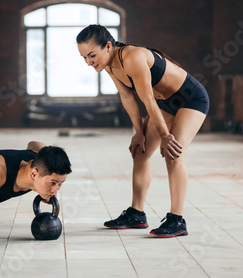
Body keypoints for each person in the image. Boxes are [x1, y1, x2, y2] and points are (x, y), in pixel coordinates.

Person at [76, 24, 209, 238]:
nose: (89, 62)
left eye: (92, 55)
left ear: (108, 46)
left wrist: (166, 136)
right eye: (83, 57)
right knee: (141, 151)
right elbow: (128, 97)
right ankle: (136, 215)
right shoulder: (109, 65)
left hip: (190, 98)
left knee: (173, 153)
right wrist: (139, 132)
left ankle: (177, 220)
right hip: (164, 103)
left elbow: (147, 99)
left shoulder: (133, 57)